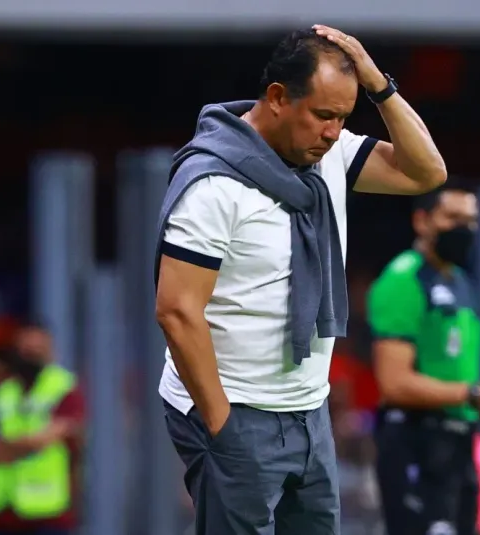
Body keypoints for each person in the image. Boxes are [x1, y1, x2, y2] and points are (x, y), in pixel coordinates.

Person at [154, 25, 447, 535]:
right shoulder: (213, 184)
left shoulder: (328, 156)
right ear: (277, 98)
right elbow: (177, 311)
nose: (333, 132)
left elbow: (426, 172)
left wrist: (380, 86)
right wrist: (222, 425)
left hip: (308, 409)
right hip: (236, 409)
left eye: (343, 118)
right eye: (323, 115)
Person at [366, 185, 480, 535]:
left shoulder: (462, 285)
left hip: (458, 444)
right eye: (453, 218)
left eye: (471, 221)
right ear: (422, 221)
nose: (464, 229)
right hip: (414, 443)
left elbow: (453, 373)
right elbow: (394, 383)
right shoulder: (404, 281)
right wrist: (477, 395)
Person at [0, 320, 85, 535]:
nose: (29, 357)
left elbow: (46, 439)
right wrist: (25, 445)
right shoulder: (2, 392)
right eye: (25, 350)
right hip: (3, 515)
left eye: (36, 350)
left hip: (49, 517)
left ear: (50, 350)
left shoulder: (64, 388)